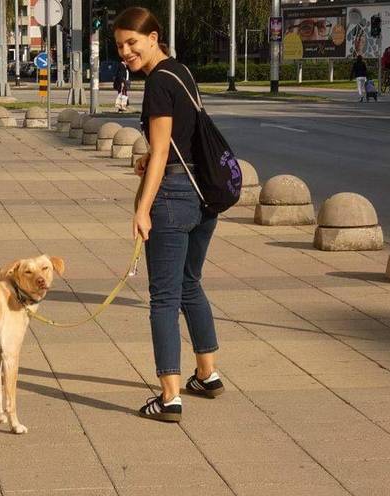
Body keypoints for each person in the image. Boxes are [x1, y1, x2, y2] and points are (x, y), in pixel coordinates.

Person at [113, 6, 224, 423]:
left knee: (164, 297)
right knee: (189, 283)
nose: (125, 52)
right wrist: (151, 162)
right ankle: (207, 375)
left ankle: (170, 397)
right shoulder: (181, 72)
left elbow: (161, 150)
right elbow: (180, 143)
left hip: (173, 199)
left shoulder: (158, 83)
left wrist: (142, 209)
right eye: (120, 45)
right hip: (200, 193)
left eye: (132, 43)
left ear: (154, 37)